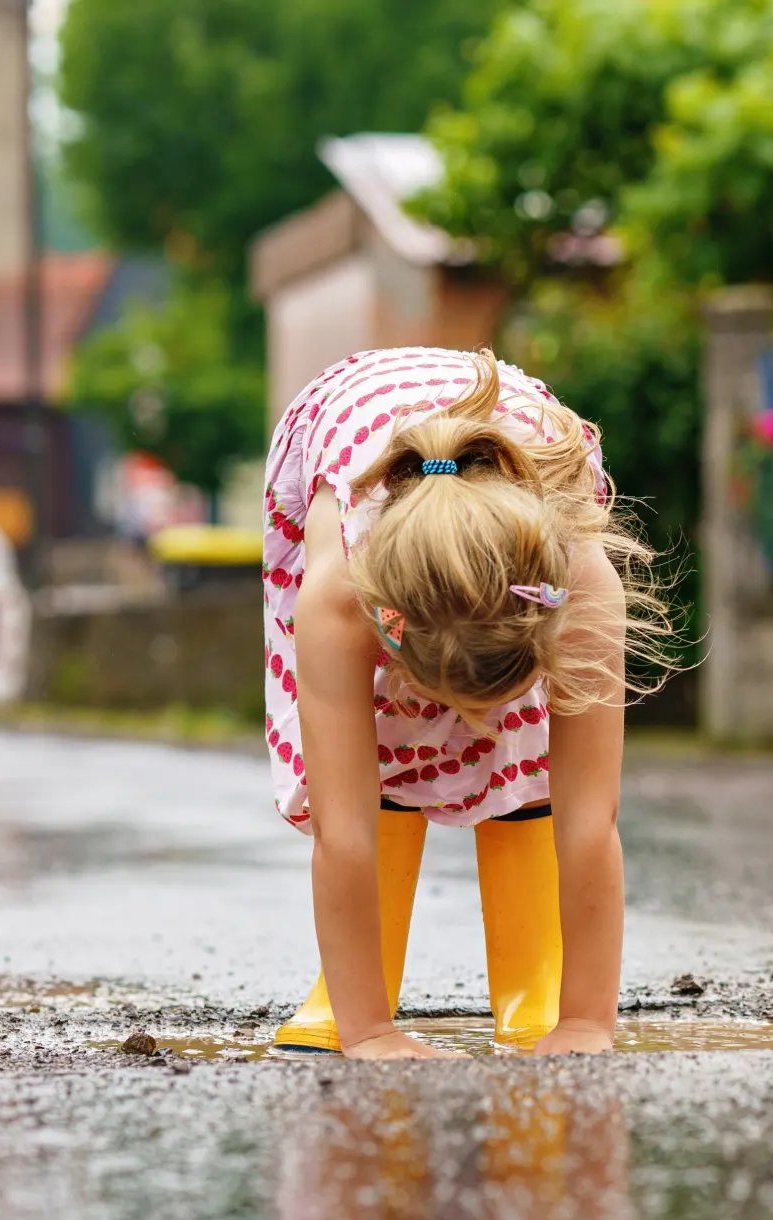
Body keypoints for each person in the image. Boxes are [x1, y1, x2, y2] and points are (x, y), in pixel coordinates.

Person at [260, 347, 670, 1059]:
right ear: (390, 625)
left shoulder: (574, 574)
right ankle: (356, 991)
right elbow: (342, 831)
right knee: (372, 753)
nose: (465, 728)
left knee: (534, 757)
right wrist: (369, 1035)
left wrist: (586, 1022)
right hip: (349, 419)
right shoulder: (343, 592)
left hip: (525, 463)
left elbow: (590, 819)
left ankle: (537, 985)